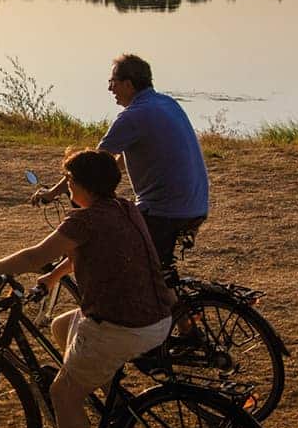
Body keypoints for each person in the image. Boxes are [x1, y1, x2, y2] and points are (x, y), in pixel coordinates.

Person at [0, 149, 175, 428]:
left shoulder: (83, 220)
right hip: (157, 318)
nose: (66, 186)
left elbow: (34, 255)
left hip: (122, 327)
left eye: (69, 180)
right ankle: (93, 389)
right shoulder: (124, 207)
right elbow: (93, 251)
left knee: (62, 396)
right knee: (61, 325)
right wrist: (54, 276)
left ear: (83, 185)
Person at [33, 53, 209, 268]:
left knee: (112, 254)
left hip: (164, 212)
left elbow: (89, 166)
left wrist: (52, 193)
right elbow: (116, 160)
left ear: (128, 84)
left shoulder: (133, 116)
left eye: (112, 82)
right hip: (195, 205)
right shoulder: (167, 103)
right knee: (152, 270)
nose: (110, 89)